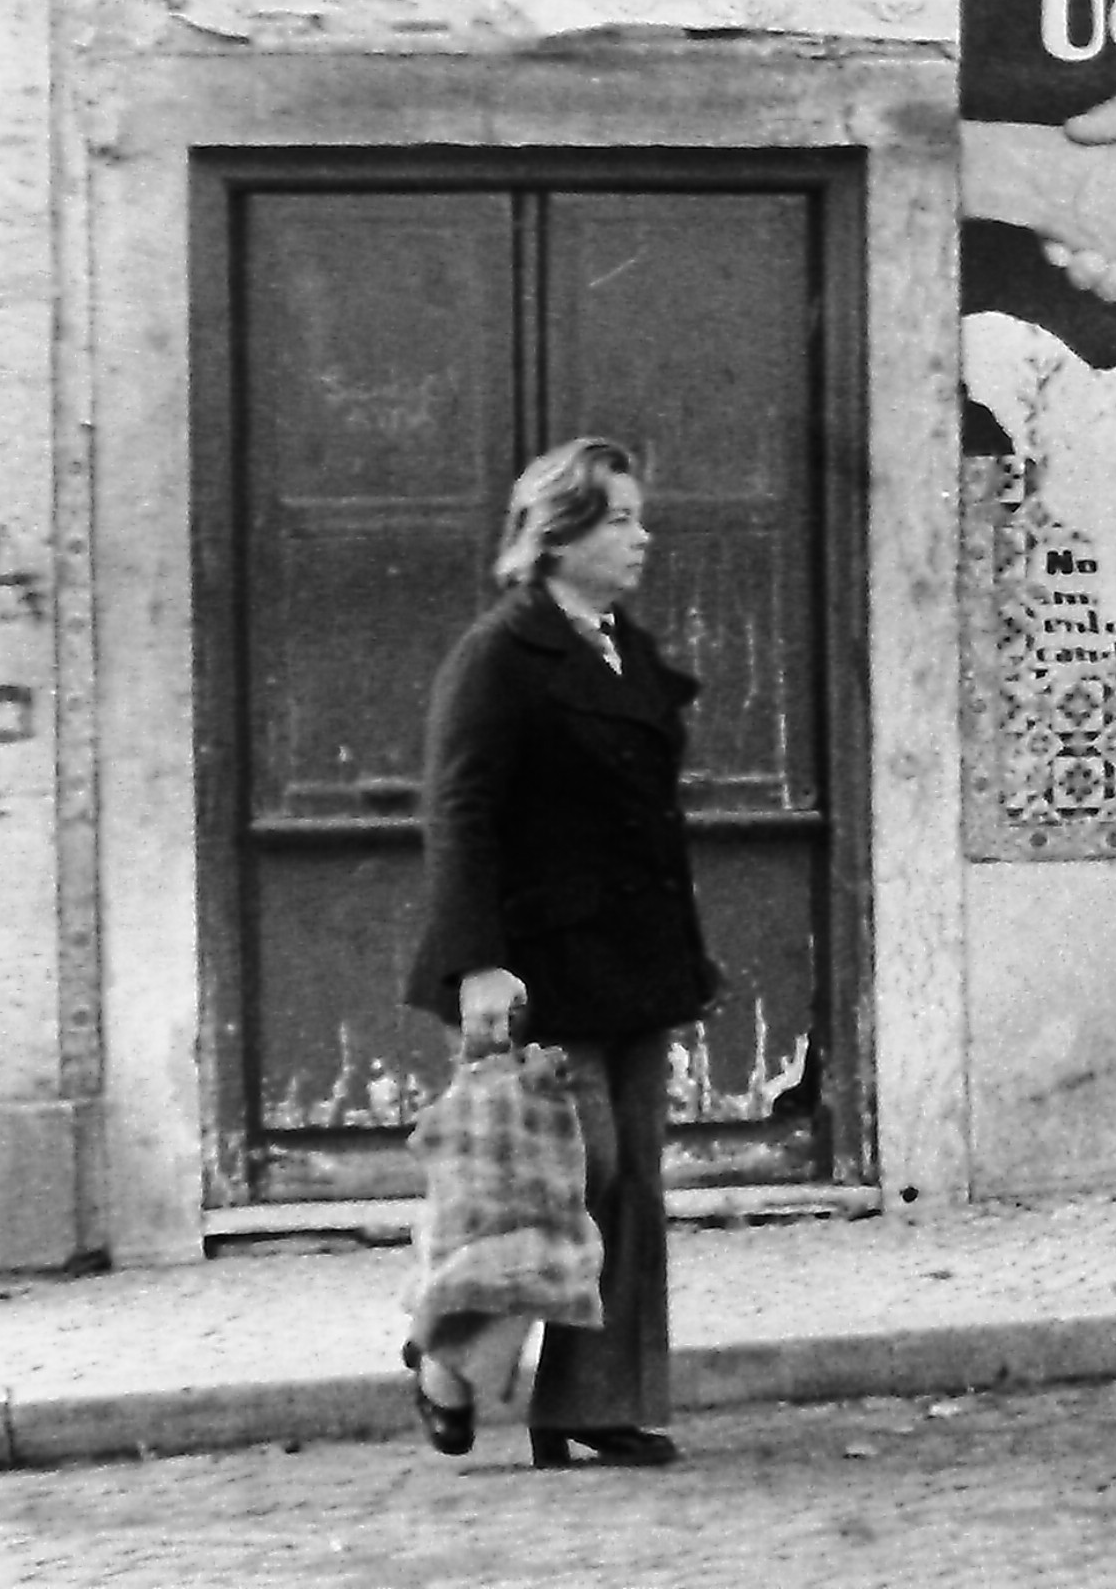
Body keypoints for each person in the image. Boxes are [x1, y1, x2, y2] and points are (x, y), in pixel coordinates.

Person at [400, 437, 720, 1468]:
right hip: (537, 967)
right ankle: (449, 1359)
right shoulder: (499, 653)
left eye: (636, 517)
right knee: (568, 1176)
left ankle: (596, 1400)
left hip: (635, 956)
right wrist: (475, 961)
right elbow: (460, 812)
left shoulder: (623, 647)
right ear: (558, 536)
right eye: (618, 519)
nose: (642, 537)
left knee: (629, 1186)